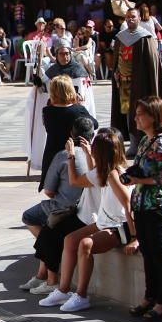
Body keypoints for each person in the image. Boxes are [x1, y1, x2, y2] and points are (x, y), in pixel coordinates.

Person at [38, 127, 136, 312]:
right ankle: (63, 289)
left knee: (85, 244)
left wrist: (134, 237)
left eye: (95, 149)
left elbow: (128, 204)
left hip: (117, 227)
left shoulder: (115, 174)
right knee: (69, 239)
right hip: (103, 223)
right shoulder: (105, 172)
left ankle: (81, 295)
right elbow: (93, 176)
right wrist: (86, 154)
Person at [20, 117, 98, 295]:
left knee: (33, 220)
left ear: (72, 134)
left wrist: (70, 157)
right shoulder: (94, 156)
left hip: (69, 208)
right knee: (49, 231)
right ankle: (42, 274)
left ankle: (51, 276)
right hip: (83, 209)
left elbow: (49, 190)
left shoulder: (65, 156)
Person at [125, 97, 162, 322]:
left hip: (155, 204)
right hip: (142, 204)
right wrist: (130, 174)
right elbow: (141, 167)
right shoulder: (145, 141)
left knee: (159, 253)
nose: (136, 118)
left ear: (154, 117)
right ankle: (150, 296)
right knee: (147, 252)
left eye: (140, 114)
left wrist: (139, 180)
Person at [112, 8, 162, 155]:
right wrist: (116, 72)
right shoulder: (120, 37)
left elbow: (151, 63)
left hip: (141, 83)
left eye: (133, 17)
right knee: (127, 113)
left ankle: (146, 142)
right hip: (124, 82)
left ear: (139, 18)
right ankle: (134, 143)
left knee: (142, 112)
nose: (130, 19)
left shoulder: (145, 38)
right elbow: (118, 58)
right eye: (127, 17)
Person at [24, 46, 97, 173]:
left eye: (67, 53)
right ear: (56, 56)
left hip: (74, 113)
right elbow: (43, 90)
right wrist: (38, 83)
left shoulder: (79, 71)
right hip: (58, 111)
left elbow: (85, 93)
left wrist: (80, 104)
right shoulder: (52, 71)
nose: (65, 57)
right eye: (62, 54)